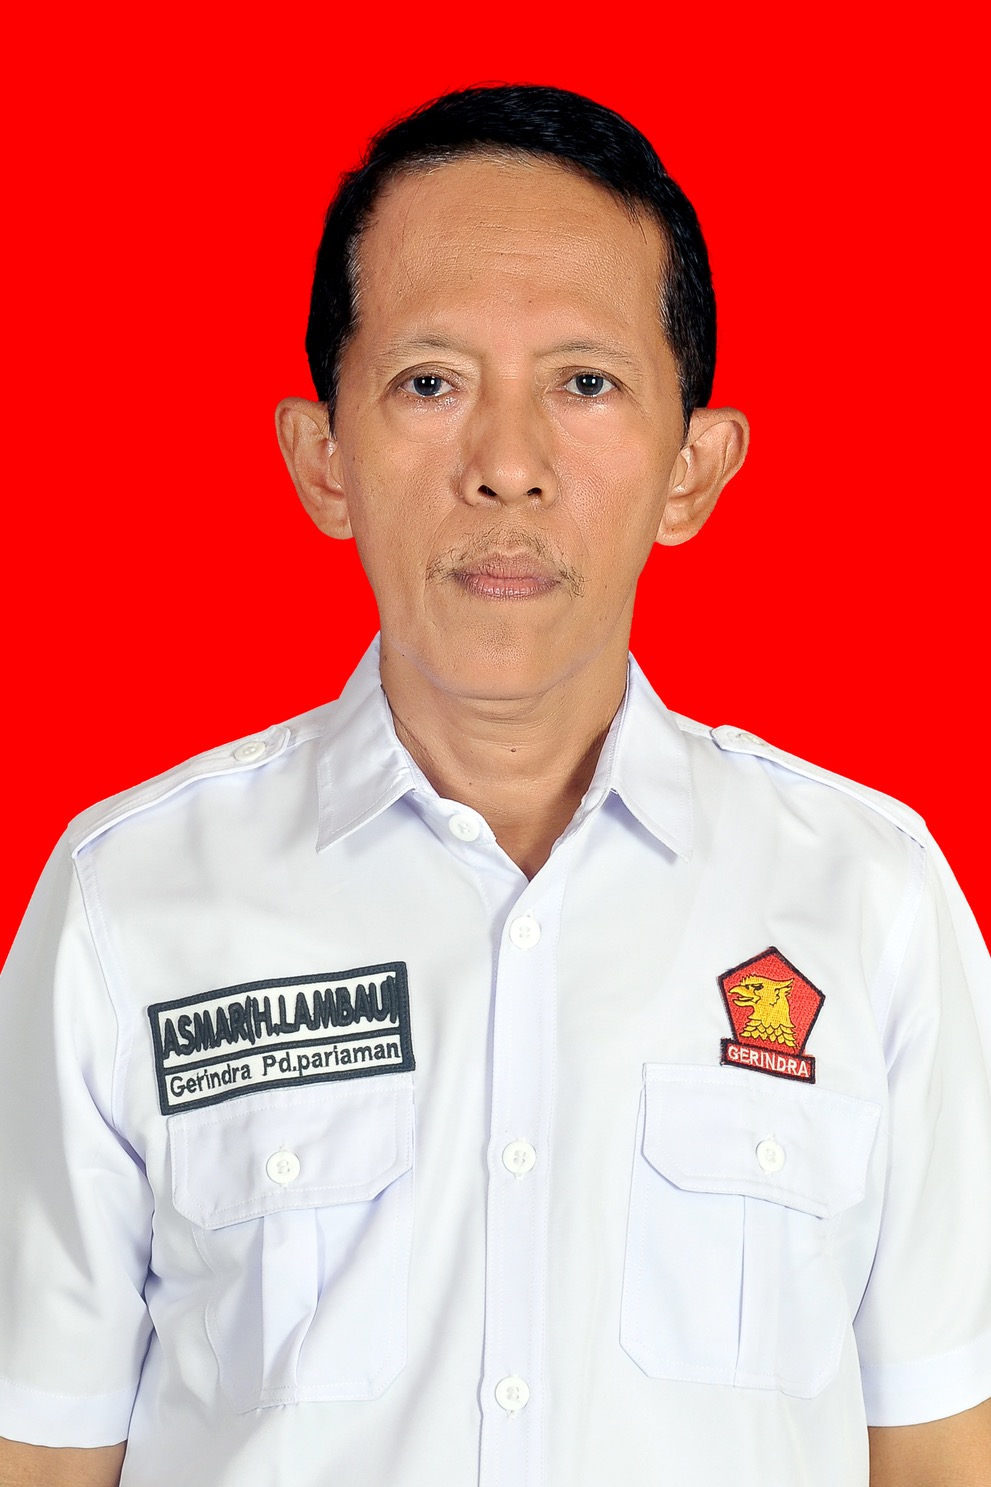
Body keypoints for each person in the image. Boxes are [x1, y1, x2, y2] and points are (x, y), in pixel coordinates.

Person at [0, 84, 989, 1487]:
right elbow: (40, 1454)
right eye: (430, 383)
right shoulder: (130, 905)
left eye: (585, 384)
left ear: (694, 467)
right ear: (322, 458)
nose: (507, 468)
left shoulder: (869, 898)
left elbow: (944, 1452)